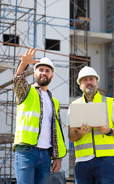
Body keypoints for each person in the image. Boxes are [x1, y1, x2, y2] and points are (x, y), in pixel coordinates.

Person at [13, 48, 66, 184]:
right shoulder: (26, 92)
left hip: (46, 155)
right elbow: (18, 79)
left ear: (52, 75)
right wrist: (24, 64)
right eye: (40, 70)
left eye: (47, 71)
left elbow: (56, 132)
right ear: (34, 73)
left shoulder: (54, 102)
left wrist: (58, 157)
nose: (44, 73)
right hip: (26, 151)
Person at [68, 66, 114, 184]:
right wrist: (80, 133)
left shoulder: (109, 103)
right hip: (83, 162)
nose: (89, 82)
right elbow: (71, 136)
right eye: (85, 80)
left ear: (96, 83)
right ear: (80, 85)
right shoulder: (74, 106)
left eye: (91, 79)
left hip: (106, 161)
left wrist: (108, 131)